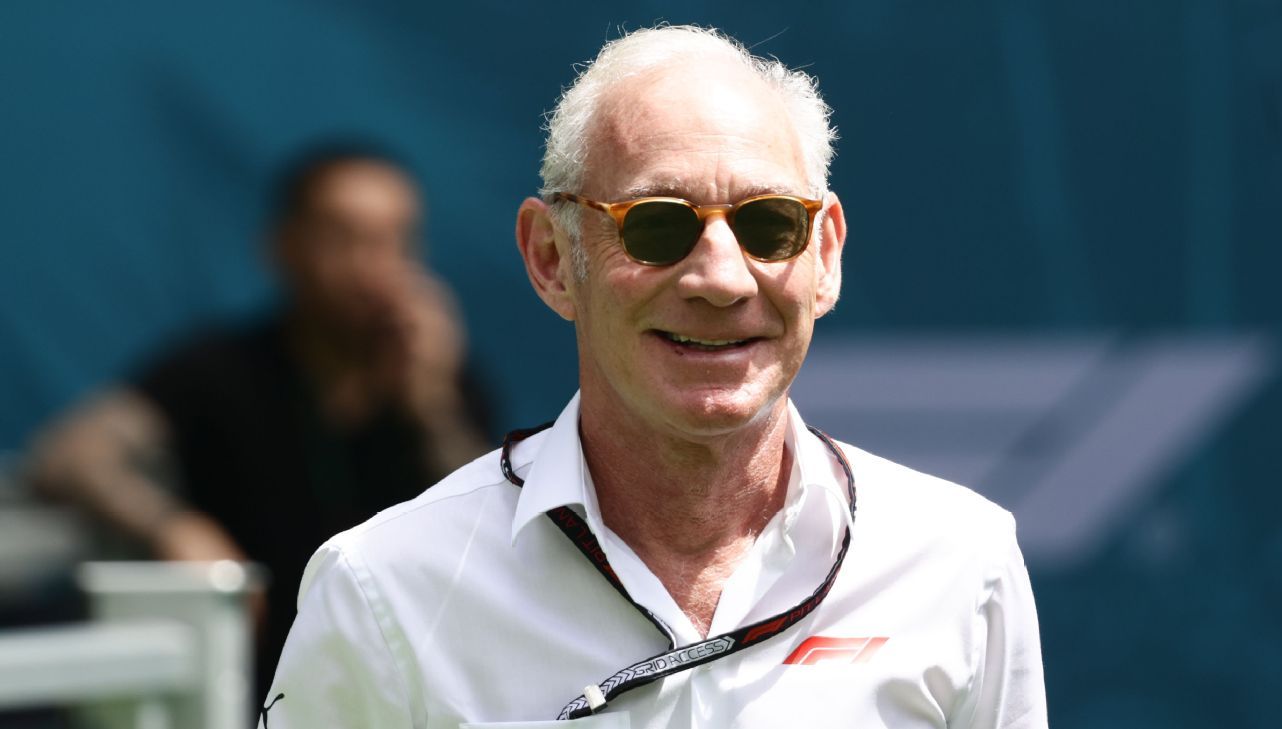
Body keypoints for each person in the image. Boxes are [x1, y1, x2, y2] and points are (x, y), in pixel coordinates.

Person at [263, 26, 1047, 728]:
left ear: (826, 255)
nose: (722, 278)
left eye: (769, 222)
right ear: (552, 258)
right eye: (659, 223)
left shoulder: (960, 562)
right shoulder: (383, 588)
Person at [25, 143, 494, 701]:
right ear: (285, 247)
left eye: (394, 239)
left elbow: (490, 538)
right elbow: (69, 454)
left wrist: (432, 403)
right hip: (253, 689)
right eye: (343, 238)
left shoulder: (438, 382)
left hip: (405, 689)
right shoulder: (222, 370)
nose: (372, 266)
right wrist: (173, 526)